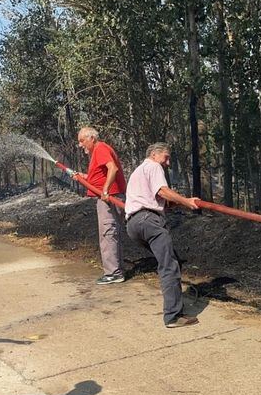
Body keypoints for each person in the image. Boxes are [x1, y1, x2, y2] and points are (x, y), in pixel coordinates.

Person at [125, 143, 200, 328]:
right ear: (153, 154)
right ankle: (173, 316)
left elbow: (159, 200)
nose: (167, 162)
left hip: (133, 225)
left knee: (168, 259)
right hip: (149, 221)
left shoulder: (138, 171)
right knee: (169, 265)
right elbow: (162, 191)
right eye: (165, 157)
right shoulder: (154, 166)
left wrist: (178, 202)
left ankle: (173, 303)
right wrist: (188, 202)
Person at [74, 127, 127, 284]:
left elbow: (113, 168)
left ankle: (113, 273)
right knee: (112, 233)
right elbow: (98, 176)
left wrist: (105, 191)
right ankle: (116, 270)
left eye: (82, 141)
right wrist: (82, 177)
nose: (80, 145)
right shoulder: (98, 150)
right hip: (110, 197)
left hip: (109, 199)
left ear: (92, 138)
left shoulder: (100, 148)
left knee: (108, 233)